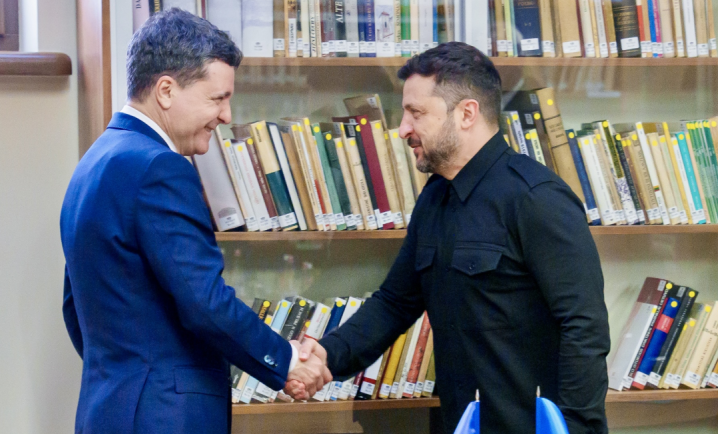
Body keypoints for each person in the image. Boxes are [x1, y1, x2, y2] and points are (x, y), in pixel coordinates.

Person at [292, 42, 610, 434]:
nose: (403, 129)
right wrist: (327, 355)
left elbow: (584, 326)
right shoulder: (434, 198)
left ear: (466, 114)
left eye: (416, 113)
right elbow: (395, 302)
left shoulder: (536, 198)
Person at [60, 9, 329, 434]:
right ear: (166, 90)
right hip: (164, 417)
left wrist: (130, 376)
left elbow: (75, 308)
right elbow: (204, 302)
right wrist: (287, 360)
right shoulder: (159, 168)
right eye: (217, 98)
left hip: (109, 411)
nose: (226, 115)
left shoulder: (95, 162)